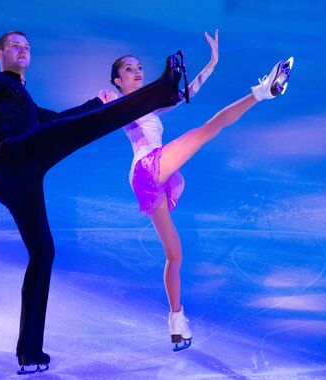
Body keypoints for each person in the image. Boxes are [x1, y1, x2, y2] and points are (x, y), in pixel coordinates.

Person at [0, 30, 183, 374]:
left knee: (43, 252)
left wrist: (96, 104)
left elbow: (61, 120)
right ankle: (164, 87)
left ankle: (30, 354)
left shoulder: (25, 101)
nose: (22, 50)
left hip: (21, 179)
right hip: (12, 157)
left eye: (27, 46)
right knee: (79, 130)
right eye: (15, 45)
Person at [110, 30, 293, 351]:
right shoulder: (119, 102)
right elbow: (98, 110)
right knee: (207, 130)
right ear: (116, 81)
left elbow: (185, 92)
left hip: (151, 177)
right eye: (128, 69)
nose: (137, 70)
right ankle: (262, 92)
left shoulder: (149, 104)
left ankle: (176, 320)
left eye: (138, 66)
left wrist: (212, 63)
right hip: (148, 167)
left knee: (174, 255)